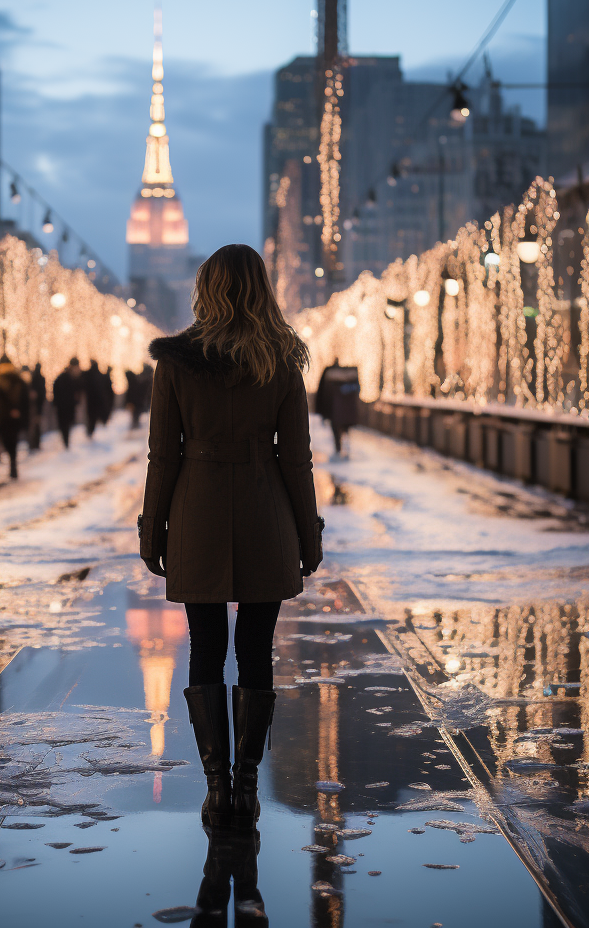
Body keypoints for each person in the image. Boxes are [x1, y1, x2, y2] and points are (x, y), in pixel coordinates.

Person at [138, 243, 323, 829]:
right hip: (267, 513)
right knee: (256, 649)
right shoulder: (281, 360)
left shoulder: (176, 362)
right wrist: (308, 532)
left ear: (206, 289)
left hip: (198, 511)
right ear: (261, 290)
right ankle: (246, 784)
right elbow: (296, 460)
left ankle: (216, 786)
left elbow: (162, 455)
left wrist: (153, 527)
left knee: (205, 645)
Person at [0, 353, 29, 479]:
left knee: (7, 442)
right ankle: (13, 464)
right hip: (14, 418)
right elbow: (25, 400)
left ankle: (12, 465)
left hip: (2, 418)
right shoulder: (18, 380)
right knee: (13, 443)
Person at [316, 358, 360, 457]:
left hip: (334, 412)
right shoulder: (351, 377)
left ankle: (338, 449)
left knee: (336, 430)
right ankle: (343, 448)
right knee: (345, 429)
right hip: (344, 412)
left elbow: (323, 395)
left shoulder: (330, 375)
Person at [52, 358, 83, 448]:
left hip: (66, 407)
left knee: (66, 426)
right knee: (65, 426)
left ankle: (66, 443)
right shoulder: (65, 378)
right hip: (64, 407)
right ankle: (66, 443)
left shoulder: (72, 377)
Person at [83, 359, 110, 437]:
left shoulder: (88, 375)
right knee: (93, 420)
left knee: (91, 419)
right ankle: (91, 434)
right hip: (97, 403)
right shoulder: (100, 376)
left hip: (90, 402)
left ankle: (90, 433)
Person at [26, 362, 46, 450]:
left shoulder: (33, 379)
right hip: (37, 407)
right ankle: (35, 443)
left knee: (34, 426)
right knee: (36, 426)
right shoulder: (41, 379)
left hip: (34, 408)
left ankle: (34, 444)